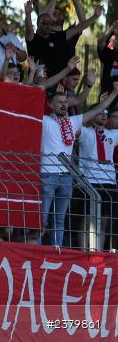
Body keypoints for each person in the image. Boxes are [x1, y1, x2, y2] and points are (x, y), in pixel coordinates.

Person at [39, 83, 118, 247]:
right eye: (59, 101)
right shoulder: (44, 120)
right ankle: (38, 250)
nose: (63, 104)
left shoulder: (73, 122)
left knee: (59, 219)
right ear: (50, 105)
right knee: (42, 218)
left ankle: (57, 250)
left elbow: (99, 108)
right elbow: (29, 102)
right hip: (47, 175)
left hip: (67, 177)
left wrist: (115, 92)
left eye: (66, 102)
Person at [77, 105, 118, 250]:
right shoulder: (85, 132)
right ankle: (83, 252)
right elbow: (72, 125)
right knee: (88, 220)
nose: (104, 115)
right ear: (92, 115)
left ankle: (97, 253)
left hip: (109, 181)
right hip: (90, 180)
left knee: (104, 221)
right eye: (99, 113)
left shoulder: (113, 134)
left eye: (105, 113)